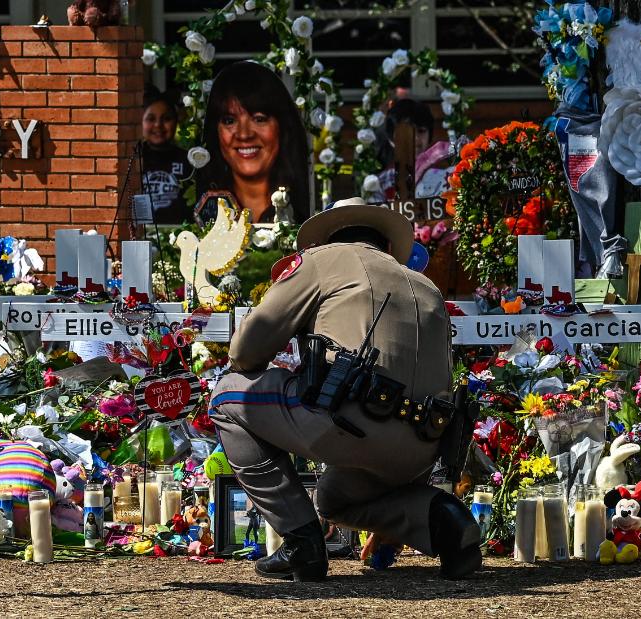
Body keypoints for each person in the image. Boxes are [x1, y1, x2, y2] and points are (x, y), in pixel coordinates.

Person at [209, 197, 480, 582]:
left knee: (225, 395)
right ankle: (444, 519)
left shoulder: (323, 260)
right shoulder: (426, 286)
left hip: (348, 421)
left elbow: (245, 351)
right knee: (335, 499)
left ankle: (302, 543)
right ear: (385, 244)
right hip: (423, 447)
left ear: (329, 238)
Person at [198, 61, 310, 225]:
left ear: (282, 127)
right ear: (215, 131)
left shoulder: (307, 211)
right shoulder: (205, 212)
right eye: (229, 121)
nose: (244, 134)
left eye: (259, 119)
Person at [137, 85, 194, 224]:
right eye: (151, 119)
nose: (158, 125)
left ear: (176, 122)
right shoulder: (133, 159)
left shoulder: (189, 161)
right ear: (141, 122)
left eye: (166, 118)